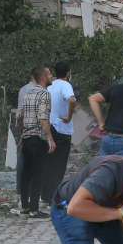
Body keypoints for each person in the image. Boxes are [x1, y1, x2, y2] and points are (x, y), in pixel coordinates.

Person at [17, 66, 55, 219]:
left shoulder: (27, 93)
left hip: (27, 137)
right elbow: (43, 118)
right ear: (44, 78)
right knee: (38, 174)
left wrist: (22, 133)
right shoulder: (45, 94)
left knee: (26, 173)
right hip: (39, 138)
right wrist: (50, 138)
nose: (52, 76)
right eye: (50, 74)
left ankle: (25, 206)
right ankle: (34, 209)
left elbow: (19, 116)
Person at [43, 61, 76, 206]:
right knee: (59, 165)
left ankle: (45, 194)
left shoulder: (50, 86)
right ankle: (53, 197)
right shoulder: (65, 85)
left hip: (50, 128)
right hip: (62, 130)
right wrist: (69, 116)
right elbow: (71, 100)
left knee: (49, 163)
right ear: (68, 73)